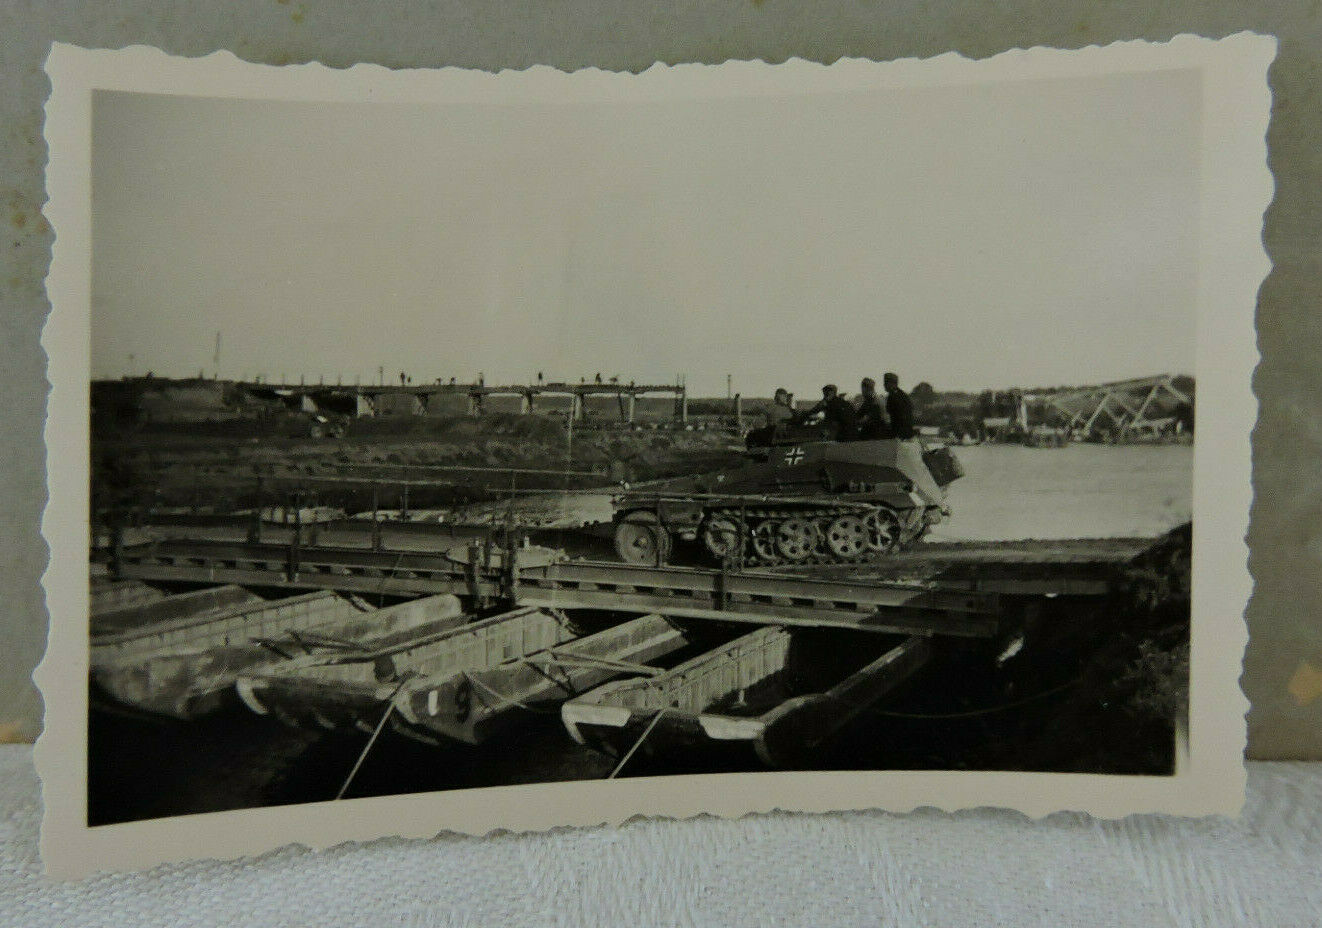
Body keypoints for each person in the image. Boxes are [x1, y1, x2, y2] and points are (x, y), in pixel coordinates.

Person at [883, 372, 916, 440]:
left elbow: (900, 417)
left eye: (886, 383)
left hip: (900, 434)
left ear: (893, 384)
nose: (884, 385)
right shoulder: (901, 395)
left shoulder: (894, 397)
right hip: (905, 433)